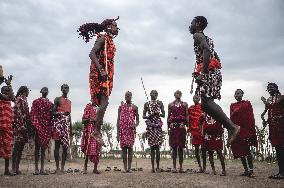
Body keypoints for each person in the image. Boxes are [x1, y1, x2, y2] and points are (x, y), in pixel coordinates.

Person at [189, 16, 239, 145]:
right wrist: (214, 66)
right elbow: (214, 54)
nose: (190, 25)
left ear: (198, 24)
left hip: (208, 72)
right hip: (213, 71)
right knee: (205, 104)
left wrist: (203, 73)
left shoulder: (197, 35)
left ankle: (232, 127)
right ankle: (230, 127)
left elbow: (206, 50)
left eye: (192, 23)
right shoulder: (208, 38)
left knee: (206, 103)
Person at [78, 16, 119, 141]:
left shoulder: (110, 41)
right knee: (104, 102)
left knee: (104, 102)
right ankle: (96, 131)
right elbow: (91, 54)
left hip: (107, 74)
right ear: (108, 27)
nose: (116, 28)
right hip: (99, 73)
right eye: (114, 26)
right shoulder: (102, 39)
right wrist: (101, 70)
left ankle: (97, 130)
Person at [230, 89, 257, 177]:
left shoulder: (247, 103)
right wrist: (231, 130)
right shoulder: (232, 105)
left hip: (245, 130)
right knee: (240, 151)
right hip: (237, 130)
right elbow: (231, 118)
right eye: (235, 94)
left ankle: (251, 170)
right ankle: (246, 170)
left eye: (238, 93)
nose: (237, 95)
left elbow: (250, 117)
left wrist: (251, 130)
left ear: (242, 94)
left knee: (247, 150)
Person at [261, 83, 284, 179]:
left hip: (281, 125)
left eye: (271, 87)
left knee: (281, 147)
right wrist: (264, 120)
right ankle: (281, 172)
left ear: (276, 88)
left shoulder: (282, 97)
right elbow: (265, 112)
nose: (270, 89)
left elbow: (277, 103)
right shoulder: (269, 99)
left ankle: (282, 173)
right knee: (278, 148)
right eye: (268, 88)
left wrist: (265, 102)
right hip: (272, 126)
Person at [30, 87, 53, 175]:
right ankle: (36, 169)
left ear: (48, 92)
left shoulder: (50, 104)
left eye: (47, 90)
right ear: (40, 91)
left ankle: (42, 169)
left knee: (43, 149)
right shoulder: (36, 102)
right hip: (38, 126)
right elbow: (33, 113)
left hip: (46, 127)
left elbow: (51, 115)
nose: (45, 91)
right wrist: (36, 125)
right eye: (44, 89)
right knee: (37, 148)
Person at [143, 90, 165, 173]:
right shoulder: (147, 104)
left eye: (157, 93)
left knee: (158, 147)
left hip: (158, 126)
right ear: (150, 94)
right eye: (154, 93)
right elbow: (143, 116)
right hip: (150, 127)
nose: (156, 94)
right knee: (152, 147)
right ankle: (152, 167)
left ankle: (158, 167)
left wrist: (157, 113)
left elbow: (163, 114)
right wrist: (149, 115)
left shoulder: (160, 103)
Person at [51, 84, 72, 174]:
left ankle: (62, 168)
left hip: (66, 125)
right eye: (64, 88)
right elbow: (52, 112)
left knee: (65, 147)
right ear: (61, 89)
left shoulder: (70, 102)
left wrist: (71, 127)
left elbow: (69, 115)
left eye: (67, 88)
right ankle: (57, 168)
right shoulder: (57, 99)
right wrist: (62, 113)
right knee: (57, 145)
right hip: (58, 124)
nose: (65, 89)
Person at [117, 91, 139, 173]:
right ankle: (124, 167)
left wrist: (135, 125)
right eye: (126, 96)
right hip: (123, 130)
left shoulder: (135, 107)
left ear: (131, 97)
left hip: (131, 130)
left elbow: (138, 120)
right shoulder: (121, 107)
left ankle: (129, 168)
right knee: (123, 149)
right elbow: (118, 120)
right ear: (125, 97)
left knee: (130, 148)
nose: (128, 97)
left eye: (129, 96)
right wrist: (117, 133)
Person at [12, 86, 32, 175]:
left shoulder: (25, 100)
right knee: (16, 147)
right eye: (27, 91)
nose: (28, 93)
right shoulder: (19, 99)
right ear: (24, 91)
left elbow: (27, 115)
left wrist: (28, 126)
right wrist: (22, 126)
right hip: (19, 126)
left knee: (20, 148)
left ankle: (17, 168)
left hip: (24, 127)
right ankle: (13, 169)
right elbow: (18, 113)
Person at [168, 90, 189, 173]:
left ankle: (180, 167)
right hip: (173, 127)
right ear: (174, 95)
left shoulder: (185, 104)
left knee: (181, 147)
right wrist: (168, 128)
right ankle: (174, 167)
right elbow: (168, 116)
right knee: (174, 148)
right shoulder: (170, 105)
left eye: (180, 93)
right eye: (177, 93)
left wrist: (187, 126)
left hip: (181, 127)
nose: (179, 94)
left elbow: (187, 115)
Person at [81, 99, 102, 174]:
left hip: (96, 131)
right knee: (87, 148)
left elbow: (101, 122)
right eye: (93, 98)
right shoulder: (88, 107)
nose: (95, 100)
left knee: (97, 149)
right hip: (88, 131)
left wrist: (97, 120)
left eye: (96, 99)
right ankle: (85, 168)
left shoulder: (99, 109)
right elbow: (83, 120)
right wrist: (90, 119)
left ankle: (95, 169)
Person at [0, 75, 15, 175]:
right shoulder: (1, 97)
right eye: (5, 90)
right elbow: (9, 96)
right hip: (0, 127)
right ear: (2, 91)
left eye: (8, 90)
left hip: (8, 128)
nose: (8, 92)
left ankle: (6, 170)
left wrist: (9, 85)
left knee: (8, 148)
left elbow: (12, 98)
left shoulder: (9, 100)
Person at [188, 94, 203, 172]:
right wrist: (188, 128)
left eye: (197, 98)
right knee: (196, 149)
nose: (195, 99)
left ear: (199, 99)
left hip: (203, 130)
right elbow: (187, 117)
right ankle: (200, 166)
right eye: (194, 98)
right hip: (194, 131)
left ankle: (204, 166)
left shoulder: (203, 107)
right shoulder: (190, 108)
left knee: (204, 149)